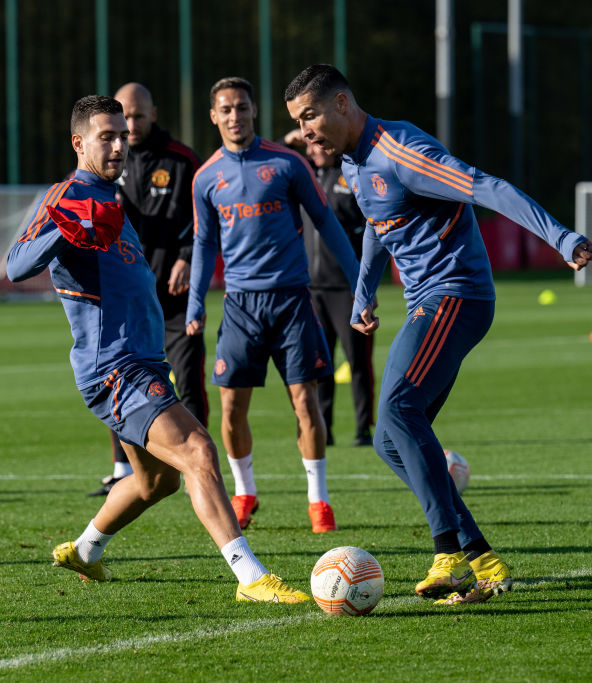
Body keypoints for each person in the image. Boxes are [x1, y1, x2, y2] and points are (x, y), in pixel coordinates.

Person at [284, 64, 592, 605]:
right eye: (298, 121)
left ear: (341, 103)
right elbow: (379, 225)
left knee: (398, 409)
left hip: (457, 295)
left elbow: (486, 187)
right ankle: (482, 558)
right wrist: (364, 292)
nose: (305, 131)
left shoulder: (400, 150)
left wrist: (562, 237)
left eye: (310, 116)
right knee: (390, 440)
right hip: (426, 301)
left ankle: (447, 552)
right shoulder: (353, 162)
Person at [7, 95, 309, 603]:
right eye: (106, 136)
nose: (119, 146)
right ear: (79, 143)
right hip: (114, 367)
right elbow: (16, 265)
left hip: (143, 362)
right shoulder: (67, 196)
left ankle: (84, 550)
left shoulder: (108, 197)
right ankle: (251, 577)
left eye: (123, 136)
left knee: (156, 483)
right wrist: (66, 228)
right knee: (199, 451)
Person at [186, 77, 359, 533]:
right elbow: (204, 244)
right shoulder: (206, 177)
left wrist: (360, 280)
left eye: (242, 107)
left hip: (292, 301)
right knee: (230, 409)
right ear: (214, 116)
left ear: (254, 111)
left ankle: (319, 500)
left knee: (305, 402)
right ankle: (245, 492)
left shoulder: (287, 162)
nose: (235, 116)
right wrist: (195, 304)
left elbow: (325, 220)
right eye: (226, 109)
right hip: (240, 307)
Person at [87, 82, 209, 497]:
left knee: (188, 379)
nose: (132, 125)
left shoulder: (181, 160)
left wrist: (187, 256)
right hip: (127, 300)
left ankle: (198, 468)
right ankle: (122, 470)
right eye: (125, 117)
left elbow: (204, 218)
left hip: (174, 295)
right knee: (117, 381)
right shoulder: (105, 163)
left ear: (153, 114)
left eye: (139, 116)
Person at [283, 130, 375, 448]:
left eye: (317, 144)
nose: (312, 151)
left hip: (346, 289)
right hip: (311, 289)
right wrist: (288, 142)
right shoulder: (303, 175)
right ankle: (325, 430)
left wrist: (364, 285)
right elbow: (269, 164)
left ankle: (363, 429)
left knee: (358, 361)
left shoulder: (352, 173)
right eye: (308, 145)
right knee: (320, 363)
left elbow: (372, 232)